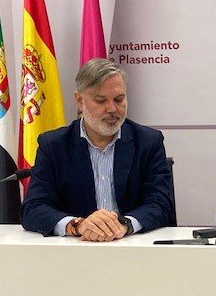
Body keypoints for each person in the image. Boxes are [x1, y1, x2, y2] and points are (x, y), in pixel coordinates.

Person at [21, 58, 174, 241]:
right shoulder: (53, 145)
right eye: (101, 101)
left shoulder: (148, 142)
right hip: (76, 251)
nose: (112, 109)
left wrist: (125, 225)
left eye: (119, 99)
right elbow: (33, 208)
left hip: (133, 247)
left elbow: (161, 204)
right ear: (79, 101)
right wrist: (77, 225)